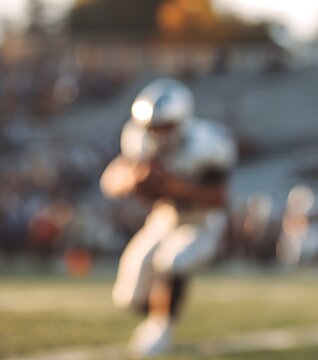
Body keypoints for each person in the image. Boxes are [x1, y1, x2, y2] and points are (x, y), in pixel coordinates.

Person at [100, 78, 237, 356]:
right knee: (128, 296)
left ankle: (162, 326)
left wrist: (173, 186)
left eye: (165, 127)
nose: (159, 135)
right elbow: (110, 181)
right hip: (165, 218)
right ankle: (155, 316)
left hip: (203, 221)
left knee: (174, 259)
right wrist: (133, 179)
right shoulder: (137, 142)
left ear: (182, 121)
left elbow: (219, 198)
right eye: (153, 128)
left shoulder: (206, 143)